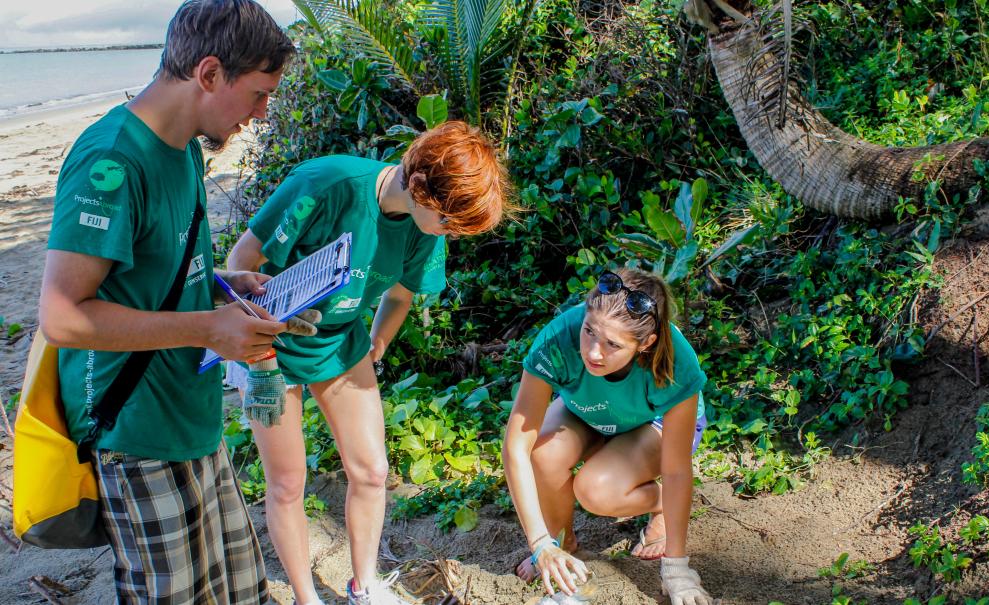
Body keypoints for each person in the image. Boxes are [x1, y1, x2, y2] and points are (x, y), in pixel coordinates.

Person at [36, 1, 296, 603]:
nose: (262, 113)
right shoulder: (113, 161)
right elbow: (62, 316)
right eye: (259, 94)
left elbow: (163, 271)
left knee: (239, 591)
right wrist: (209, 326)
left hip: (193, 419)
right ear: (208, 74)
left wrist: (227, 282)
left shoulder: (184, 150)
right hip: (134, 433)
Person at [225, 120, 514, 605]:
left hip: (340, 340)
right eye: (449, 221)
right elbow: (243, 258)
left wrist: (377, 342)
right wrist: (257, 345)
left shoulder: (425, 230)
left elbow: (400, 296)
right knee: (288, 481)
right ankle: (305, 597)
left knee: (372, 471)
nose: (452, 233)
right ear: (420, 187)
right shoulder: (325, 184)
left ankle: (365, 584)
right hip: (266, 341)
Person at [502, 268, 714, 605]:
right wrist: (540, 542)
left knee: (596, 490)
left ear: (646, 343)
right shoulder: (559, 338)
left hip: (653, 422)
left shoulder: (678, 361)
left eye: (612, 344)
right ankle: (562, 546)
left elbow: (676, 469)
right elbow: (516, 444)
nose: (594, 352)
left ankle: (660, 504)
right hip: (589, 410)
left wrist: (677, 569)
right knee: (541, 453)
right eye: (589, 331)